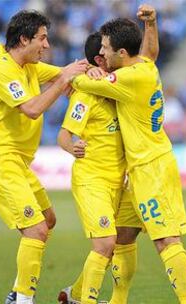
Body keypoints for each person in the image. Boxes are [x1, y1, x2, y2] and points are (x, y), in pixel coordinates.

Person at [71, 6, 186, 304]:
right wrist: (151, 24)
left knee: (166, 239)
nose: (102, 54)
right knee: (124, 236)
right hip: (139, 169)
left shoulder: (128, 80)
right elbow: (150, 52)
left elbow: (82, 83)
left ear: (122, 53)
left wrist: (82, 72)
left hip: (152, 167)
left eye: (105, 49)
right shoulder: (142, 66)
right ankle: (118, 300)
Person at [0, 10, 88, 304]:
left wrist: (92, 67)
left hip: (16, 161)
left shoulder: (29, 66)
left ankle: (17, 292)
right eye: (42, 39)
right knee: (35, 230)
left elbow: (67, 71)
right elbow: (33, 109)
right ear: (24, 39)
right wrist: (63, 83)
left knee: (47, 220)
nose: (47, 46)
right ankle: (23, 299)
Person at [57, 30, 143, 304]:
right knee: (105, 244)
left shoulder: (121, 88)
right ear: (100, 59)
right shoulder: (85, 94)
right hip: (92, 180)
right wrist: (73, 147)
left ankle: (79, 295)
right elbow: (63, 136)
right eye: (106, 50)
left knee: (125, 239)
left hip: (123, 179)